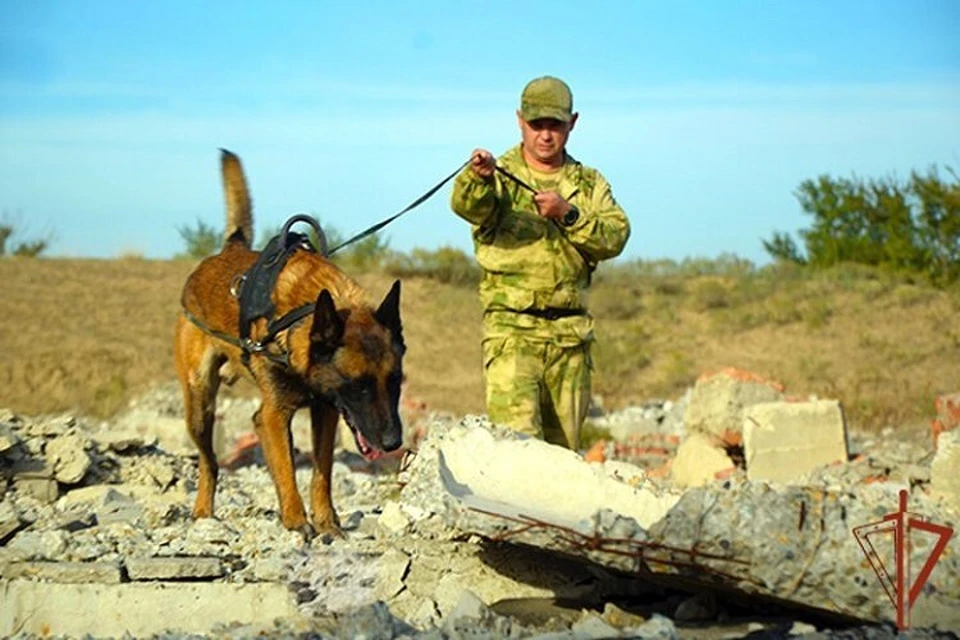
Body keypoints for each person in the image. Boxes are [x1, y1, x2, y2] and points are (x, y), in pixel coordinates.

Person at [450, 75, 630, 450]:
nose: (545, 135)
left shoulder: (589, 183)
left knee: (561, 459)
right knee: (518, 452)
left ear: (572, 123)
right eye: (536, 125)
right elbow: (468, 207)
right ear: (520, 120)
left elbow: (615, 236)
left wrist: (568, 213)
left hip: (570, 339)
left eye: (555, 125)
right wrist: (477, 178)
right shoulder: (500, 177)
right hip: (512, 334)